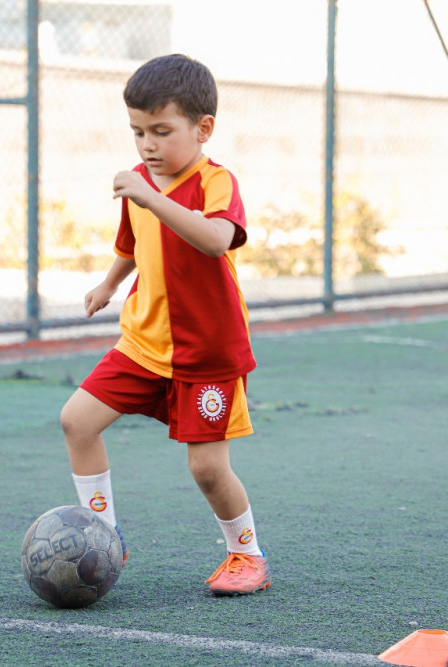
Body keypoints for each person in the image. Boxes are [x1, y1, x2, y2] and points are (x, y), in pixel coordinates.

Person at [58, 54, 271, 596]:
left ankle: (246, 555)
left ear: (203, 129)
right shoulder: (143, 186)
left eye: (161, 131)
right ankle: (103, 533)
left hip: (208, 354)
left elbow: (216, 239)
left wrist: (152, 197)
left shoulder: (215, 182)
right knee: (77, 421)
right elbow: (132, 242)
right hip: (143, 344)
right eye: (137, 132)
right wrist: (108, 284)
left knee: (206, 469)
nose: (147, 145)